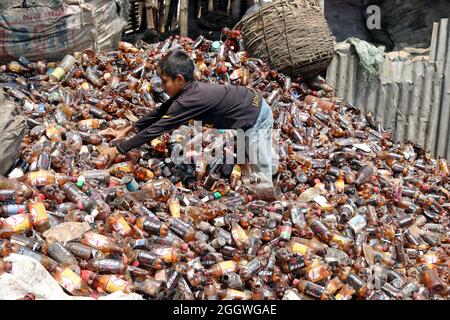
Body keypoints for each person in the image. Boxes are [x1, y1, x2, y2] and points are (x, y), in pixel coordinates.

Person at [104, 50, 274, 185]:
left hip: (256, 116)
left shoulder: (189, 100)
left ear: (179, 79)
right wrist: (126, 130)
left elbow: (155, 129)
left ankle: (266, 196)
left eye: (164, 81)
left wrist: (117, 150)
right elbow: (158, 113)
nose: (162, 87)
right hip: (246, 109)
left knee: (260, 173)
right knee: (250, 159)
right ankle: (255, 177)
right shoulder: (188, 91)